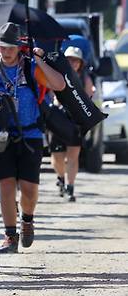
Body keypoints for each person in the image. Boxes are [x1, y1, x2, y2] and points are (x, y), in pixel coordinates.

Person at [0, 23, 65, 253]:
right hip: (2, 136)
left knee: (28, 188)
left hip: (31, 134)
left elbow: (59, 84)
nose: (6, 51)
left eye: (10, 47)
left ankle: (27, 219)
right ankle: (9, 236)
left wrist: (41, 61)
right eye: (2, 47)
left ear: (19, 47)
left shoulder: (31, 69)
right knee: (5, 186)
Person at [50, 46, 95, 202]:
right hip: (58, 117)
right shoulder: (57, 74)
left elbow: (89, 96)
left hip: (76, 120)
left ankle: (70, 187)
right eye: (69, 59)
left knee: (73, 156)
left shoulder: (85, 78)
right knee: (57, 156)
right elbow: (49, 93)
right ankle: (61, 177)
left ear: (80, 63)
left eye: (76, 60)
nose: (73, 63)